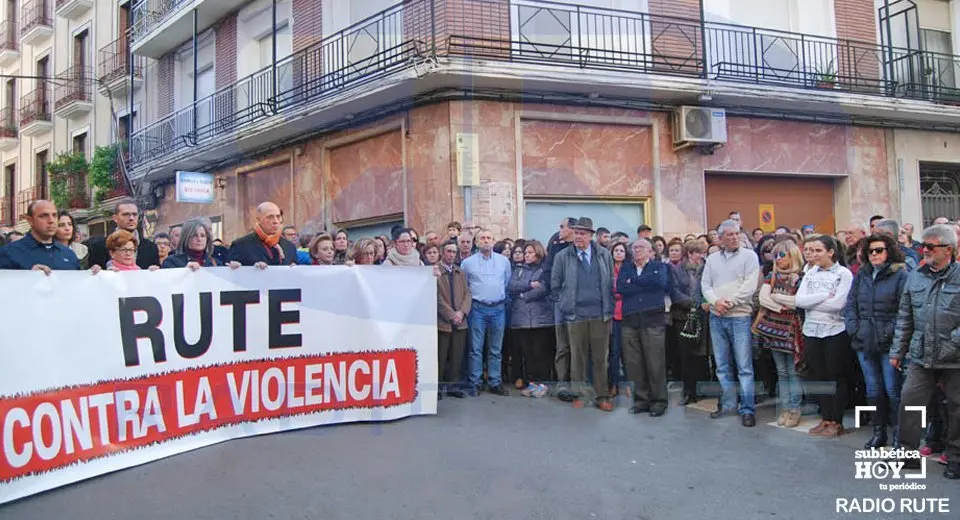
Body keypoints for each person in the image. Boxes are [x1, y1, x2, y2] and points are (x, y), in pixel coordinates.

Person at [891, 224, 960, 479]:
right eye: (923, 246)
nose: (925, 251)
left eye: (931, 246)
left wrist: (953, 341)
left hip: (955, 356)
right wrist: (898, 351)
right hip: (921, 354)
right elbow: (905, 317)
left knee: (957, 407)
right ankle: (907, 454)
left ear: (949, 250)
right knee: (910, 401)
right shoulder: (916, 276)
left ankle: (956, 457)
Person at [844, 233, 908, 448]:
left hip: (889, 342)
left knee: (892, 390)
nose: (874, 255)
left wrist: (887, 333)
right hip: (864, 340)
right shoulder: (862, 274)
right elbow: (851, 304)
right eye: (870, 251)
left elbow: (903, 310)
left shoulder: (900, 275)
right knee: (873, 389)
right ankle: (878, 433)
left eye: (878, 250)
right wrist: (855, 329)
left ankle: (900, 437)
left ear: (888, 251)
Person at [550, 217, 615, 411]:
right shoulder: (563, 256)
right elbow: (555, 285)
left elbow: (610, 280)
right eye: (576, 233)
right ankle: (579, 394)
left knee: (600, 358)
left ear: (591, 236)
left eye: (583, 233)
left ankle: (602, 396)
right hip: (575, 315)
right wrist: (566, 303)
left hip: (600, 314)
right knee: (577, 359)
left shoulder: (604, 254)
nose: (579, 237)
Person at [700, 219, 760, 427]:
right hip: (717, 317)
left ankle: (747, 409)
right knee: (722, 365)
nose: (734, 237)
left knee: (744, 366)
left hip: (739, 317)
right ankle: (728, 405)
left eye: (736, 234)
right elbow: (705, 284)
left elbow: (749, 286)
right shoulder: (713, 259)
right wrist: (715, 301)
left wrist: (730, 301)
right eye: (729, 235)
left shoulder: (749, 256)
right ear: (721, 238)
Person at [796, 235, 854, 438]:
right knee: (817, 375)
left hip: (834, 329)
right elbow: (800, 300)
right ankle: (825, 418)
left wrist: (816, 302)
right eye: (811, 251)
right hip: (811, 329)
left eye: (818, 251)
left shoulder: (843, 274)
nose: (814, 255)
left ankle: (836, 420)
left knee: (835, 375)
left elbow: (838, 304)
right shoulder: (810, 273)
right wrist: (822, 296)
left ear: (831, 252)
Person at [617, 238, 673, 417]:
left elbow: (660, 284)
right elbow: (620, 288)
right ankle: (641, 400)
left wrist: (634, 281)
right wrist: (642, 282)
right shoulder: (626, 267)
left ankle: (659, 401)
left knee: (654, 362)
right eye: (634, 248)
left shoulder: (660, 266)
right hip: (630, 319)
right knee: (634, 362)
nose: (637, 250)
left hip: (652, 319)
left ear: (651, 252)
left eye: (642, 247)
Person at [755, 239, 805, 428]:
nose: (778, 258)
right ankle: (785, 408)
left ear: (792, 255)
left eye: (782, 255)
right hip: (774, 331)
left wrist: (777, 298)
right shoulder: (771, 276)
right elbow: (763, 299)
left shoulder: (801, 277)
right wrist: (782, 305)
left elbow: (798, 301)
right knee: (782, 372)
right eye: (775, 255)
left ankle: (795, 409)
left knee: (793, 372)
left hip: (792, 330)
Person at [460, 229, 512, 396]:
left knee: (496, 348)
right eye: (482, 238)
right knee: (476, 348)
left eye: (489, 238)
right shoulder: (468, 263)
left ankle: (494, 382)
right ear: (476, 242)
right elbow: (465, 286)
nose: (486, 241)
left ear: (493, 241)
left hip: (498, 308)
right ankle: (475, 382)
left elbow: (506, 282)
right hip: (478, 309)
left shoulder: (504, 261)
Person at [508, 240, 553, 398]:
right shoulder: (519, 269)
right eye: (525, 253)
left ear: (538, 252)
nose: (526, 255)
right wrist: (528, 284)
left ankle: (542, 384)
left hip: (541, 318)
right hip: (522, 319)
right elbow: (512, 285)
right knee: (527, 353)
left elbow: (543, 288)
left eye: (529, 252)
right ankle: (531, 383)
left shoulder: (544, 269)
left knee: (540, 352)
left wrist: (523, 295)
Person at [0, 200, 82, 273]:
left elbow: (78, 285)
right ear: (30, 220)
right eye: (44, 216)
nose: (51, 220)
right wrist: (27, 277)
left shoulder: (68, 254)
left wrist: (91, 275)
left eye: (54, 215)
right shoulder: (9, 252)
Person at [85, 198, 160, 269]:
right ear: (115, 218)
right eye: (126, 214)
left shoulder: (151, 248)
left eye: (134, 214)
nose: (131, 218)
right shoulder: (99, 247)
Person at [437, 240, 471, 400]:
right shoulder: (435, 272)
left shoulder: (460, 272)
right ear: (442, 252)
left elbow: (467, 294)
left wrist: (462, 312)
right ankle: (437, 388)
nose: (451, 254)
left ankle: (453, 386)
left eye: (453, 252)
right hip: (443, 322)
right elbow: (437, 298)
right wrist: (451, 314)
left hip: (460, 321)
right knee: (441, 357)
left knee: (457, 356)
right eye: (448, 251)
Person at [228, 202, 298, 268]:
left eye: (278, 217)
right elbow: (229, 274)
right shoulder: (241, 245)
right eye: (270, 217)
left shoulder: (289, 247)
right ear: (258, 220)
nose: (275, 221)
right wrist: (247, 269)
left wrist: (295, 269)